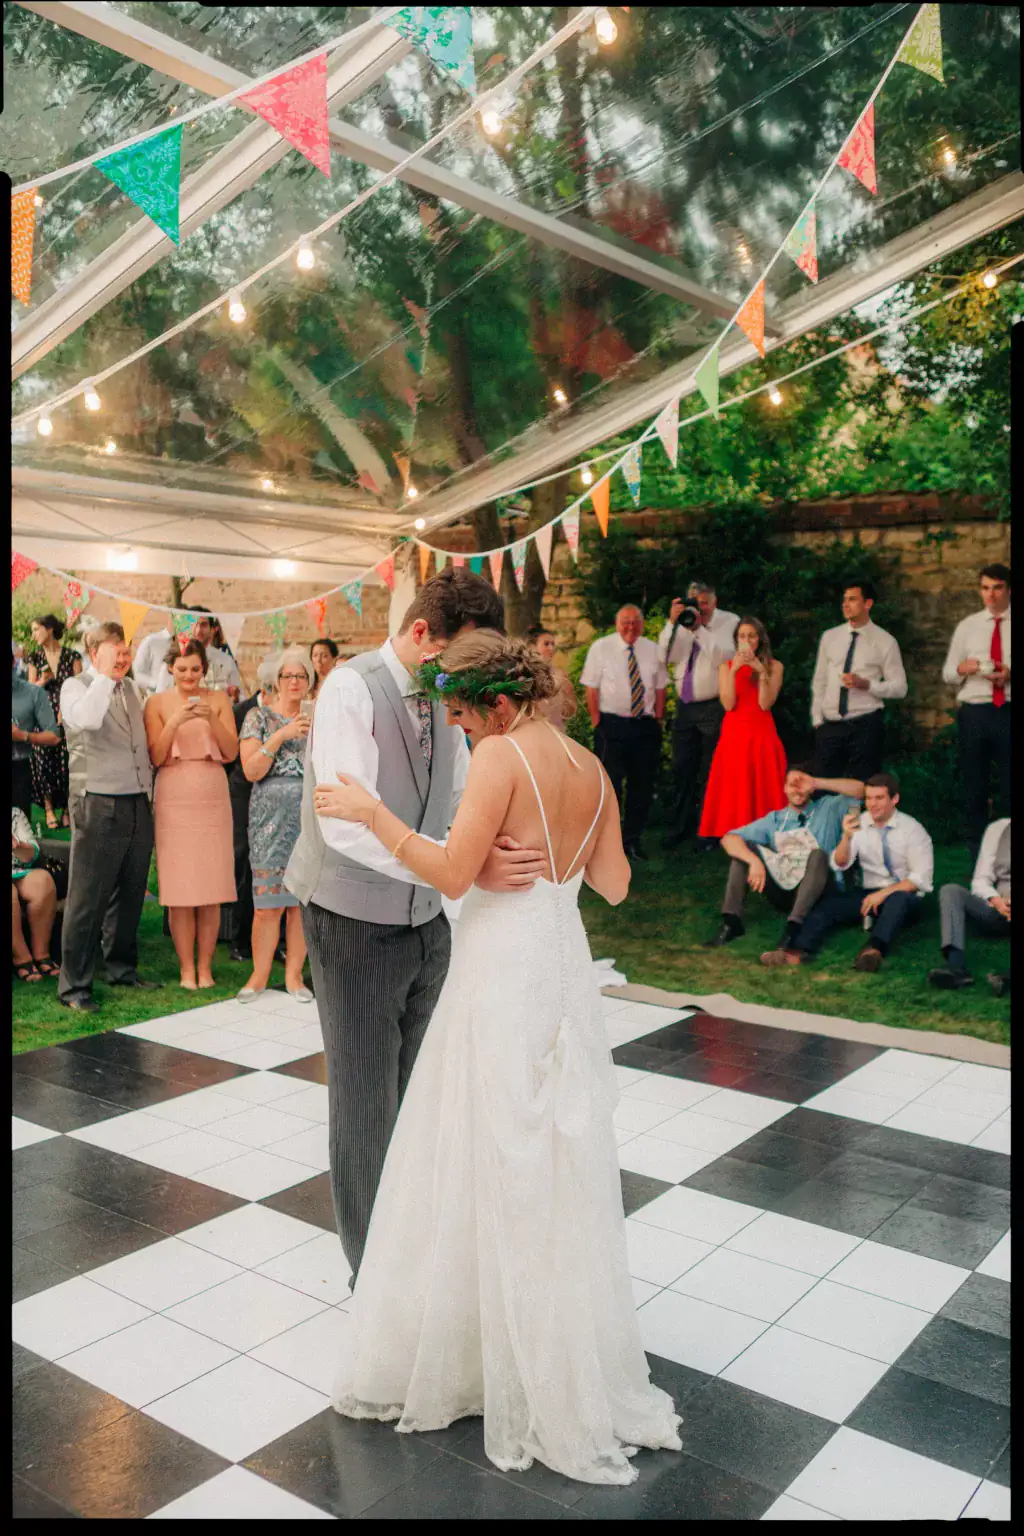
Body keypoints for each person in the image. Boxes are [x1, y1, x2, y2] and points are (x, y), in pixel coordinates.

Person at [313, 629, 682, 1486]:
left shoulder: (503, 757)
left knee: (482, 1147)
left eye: (468, 718)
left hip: (503, 973)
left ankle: (484, 1353)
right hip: (562, 970)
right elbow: (618, 883)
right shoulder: (591, 769)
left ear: (503, 705)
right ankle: (536, 1343)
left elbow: (446, 872)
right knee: (549, 1154)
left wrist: (372, 814)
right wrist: (560, 856)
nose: (467, 733)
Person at [284, 567, 548, 1284]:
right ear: (423, 631)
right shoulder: (349, 689)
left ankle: (415, 1247)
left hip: (429, 921)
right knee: (366, 1100)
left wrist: (470, 862)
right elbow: (347, 825)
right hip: (353, 920)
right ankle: (372, 1274)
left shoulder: (446, 692)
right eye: (458, 657)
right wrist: (451, 870)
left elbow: (459, 791)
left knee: (423, 1093)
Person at [58, 622, 156, 1013]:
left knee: (131, 890)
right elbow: (88, 720)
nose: (123, 654)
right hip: (96, 798)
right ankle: (75, 986)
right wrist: (102, 675)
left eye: (126, 647)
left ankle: (121, 967)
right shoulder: (75, 687)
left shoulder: (132, 688)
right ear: (94, 650)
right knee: (88, 894)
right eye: (115, 648)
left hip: (136, 799)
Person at [144, 639, 238, 990]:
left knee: (210, 887)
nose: (189, 675)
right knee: (181, 887)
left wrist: (211, 718)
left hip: (212, 792)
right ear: (171, 668)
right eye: (182, 669)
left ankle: (206, 967)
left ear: (204, 670)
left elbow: (230, 752)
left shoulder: (219, 700)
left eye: (195, 669)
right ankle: (186, 969)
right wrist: (176, 721)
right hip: (174, 792)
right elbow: (155, 755)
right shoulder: (156, 703)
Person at [705, 764, 865, 958]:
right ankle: (731, 922)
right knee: (743, 852)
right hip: (786, 889)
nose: (797, 790)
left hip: (822, 887)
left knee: (818, 854)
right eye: (792, 785)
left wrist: (816, 782)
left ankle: (793, 927)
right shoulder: (774, 819)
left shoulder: (828, 808)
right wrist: (754, 861)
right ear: (784, 788)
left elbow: (861, 791)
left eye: (802, 784)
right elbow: (728, 839)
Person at [782, 772, 933, 972]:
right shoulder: (860, 822)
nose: (872, 804)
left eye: (879, 798)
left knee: (898, 900)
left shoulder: (912, 830)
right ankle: (800, 950)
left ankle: (873, 950)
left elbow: (919, 879)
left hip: (905, 895)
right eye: (869, 798)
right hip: (869, 893)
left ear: (894, 799)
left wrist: (882, 894)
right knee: (827, 906)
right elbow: (840, 863)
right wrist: (846, 838)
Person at [238, 646, 316, 1001]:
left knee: (300, 902)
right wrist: (283, 735)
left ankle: (295, 977)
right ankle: (259, 975)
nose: (295, 682)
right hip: (269, 818)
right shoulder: (259, 717)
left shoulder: (320, 717)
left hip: (308, 818)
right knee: (267, 902)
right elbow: (251, 769)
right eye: (289, 675)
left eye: (302, 675)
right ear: (276, 680)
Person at [581, 605, 667, 859]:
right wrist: (597, 721)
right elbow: (591, 687)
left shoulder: (652, 649)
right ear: (617, 623)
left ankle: (632, 840)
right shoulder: (601, 648)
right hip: (611, 727)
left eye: (635, 622)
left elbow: (660, 687)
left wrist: (658, 718)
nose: (630, 627)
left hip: (644, 726)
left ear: (642, 624)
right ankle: (608, 843)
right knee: (611, 786)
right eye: (625, 622)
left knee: (641, 786)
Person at [659, 580, 740, 850]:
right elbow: (666, 656)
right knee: (682, 768)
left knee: (710, 771)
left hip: (713, 706)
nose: (700, 607)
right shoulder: (683, 621)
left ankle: (710, 833)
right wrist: (673, 624)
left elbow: (725, 655)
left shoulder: (729, 621)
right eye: (696, 602)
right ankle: (681, 827)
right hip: (685, 706)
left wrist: (699, 630)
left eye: (705, 602)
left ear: (714, 602)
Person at [942, 564, 1011, 860]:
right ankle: (977, 856)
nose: (990, 595)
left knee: (1009, 785)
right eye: (985, 588)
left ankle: (1007, 856)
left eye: (996, 587)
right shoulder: (968, 626)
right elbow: (948, 673)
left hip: (1008, 710)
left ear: (1008, 589)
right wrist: (963, 668)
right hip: (974, 713)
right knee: (974, 785)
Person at [698, 617, 787, 839]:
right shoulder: (725, 667)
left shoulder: (774, 666)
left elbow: (765, 703)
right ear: (736, 640)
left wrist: (761, 672)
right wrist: (735, 670)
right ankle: (735, 834)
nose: (746, 641)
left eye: (751, 636)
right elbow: (728, 704)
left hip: (761, 731)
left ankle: (765, 832)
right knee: (736, 785)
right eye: (742, 636)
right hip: (735, 733)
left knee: (762, 784)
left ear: (760, 640)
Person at [811, 579, 906, 782]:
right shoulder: (830, 637)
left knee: (862, 788)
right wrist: (817, 720)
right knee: (822, 788)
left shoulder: (885, 641)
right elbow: (819, 681)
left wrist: (868, 685)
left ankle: (859, 815)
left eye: (852, 599)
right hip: (830, 725)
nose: (845, 605)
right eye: (844, 600)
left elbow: (900, 688)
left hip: (865, 725)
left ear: (868, 604)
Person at [223, 654, 279, 963]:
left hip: (276, 796)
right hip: (243, 794)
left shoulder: (287, 712)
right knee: (243, 862)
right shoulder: (242, 712)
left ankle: (275, 938)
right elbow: (230, 758)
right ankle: (238, 938)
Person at [929, 817, 1010, 995]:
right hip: (997, 906)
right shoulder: (998, 829)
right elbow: (981, 879)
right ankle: (955, 968)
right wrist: (996, 901)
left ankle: (1006, 979)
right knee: (950, 891)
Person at [26, 614, 82, 828]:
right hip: (42, 716)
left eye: (36, 629)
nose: (33, 635)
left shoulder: (72, 656)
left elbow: (80, 688)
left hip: (68, 716)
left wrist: (67, 711)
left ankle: (68, 809)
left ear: (49, 629)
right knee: (43, 763)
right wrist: (42, 681)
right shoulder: (35, 657)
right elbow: (31, 691)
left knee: (68, 762)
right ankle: (49, 809)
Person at [12, 805, 59, 983]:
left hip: (17, 870)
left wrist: (16, 845)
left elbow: (32, 856)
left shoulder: (15, 814)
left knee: (43, 881)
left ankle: (42, 955)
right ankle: (22, 959)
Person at [155, 607, 242, 701]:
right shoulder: (174, 660)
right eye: (193, 624)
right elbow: (160, 698)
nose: (198, 630)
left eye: (203, 625)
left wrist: (235, 696)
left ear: (212, 630)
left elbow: (240, 697)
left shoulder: (226, 661)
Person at [12, 654, 60, 820]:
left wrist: (22, 735)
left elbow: (53, 737)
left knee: (20, 835)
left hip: (19, 769)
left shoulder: (33, 692)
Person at [529, 624, 577, 732]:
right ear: (532, 647)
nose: (551, 648)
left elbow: (571, 709)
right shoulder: (527, 675)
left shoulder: (561, 675)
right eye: (546, 644)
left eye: (553, 644)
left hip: (557, 730)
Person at [132, 616, 175, 696]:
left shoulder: (192, 645)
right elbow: (135, 674)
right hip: (155, 701)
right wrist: (157, 684)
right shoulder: (152, 641)